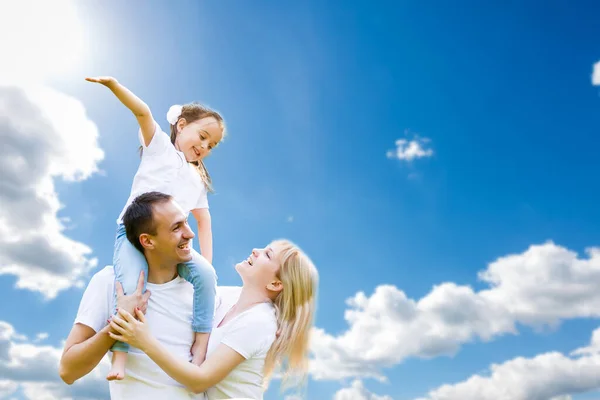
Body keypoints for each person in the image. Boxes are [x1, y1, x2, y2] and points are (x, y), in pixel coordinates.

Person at [85, 76, 226, 380]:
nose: (204, 146)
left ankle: (200, 344)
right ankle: (119, 356)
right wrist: (114, 86)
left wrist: (206, 261)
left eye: (210, 145)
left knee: (205, 276)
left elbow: (204, 221)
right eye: (201, 136)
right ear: (182, 124)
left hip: (174, 243)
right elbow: (143, 112)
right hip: (134, 233)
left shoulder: (196, 179)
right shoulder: (159, 147)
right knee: (130, 285)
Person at [109, 235, 319, 399]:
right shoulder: (228, 296)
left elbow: (200, 381)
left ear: (275, 284)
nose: (256, 250)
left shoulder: (259, 322)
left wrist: (144, 340)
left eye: (268, 255)